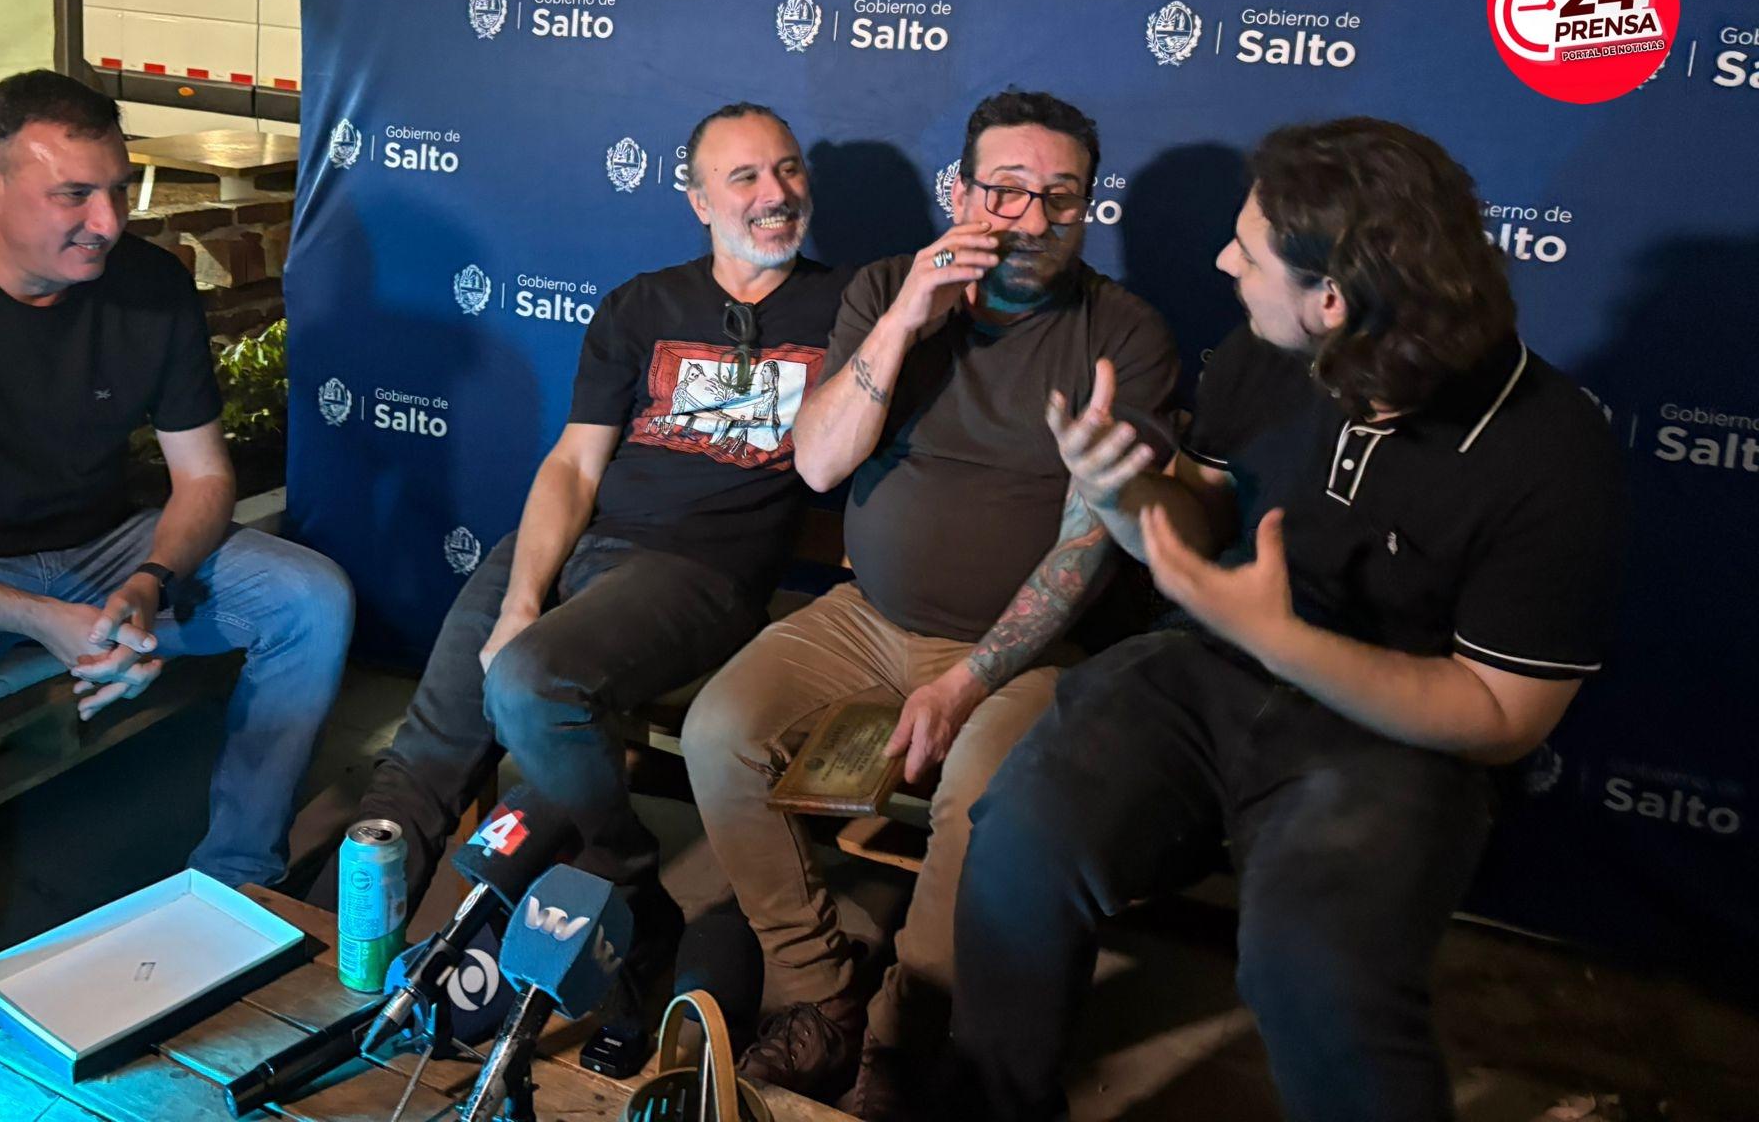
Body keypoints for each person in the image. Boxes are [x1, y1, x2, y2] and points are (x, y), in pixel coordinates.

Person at [950, 118, 1624, 1122]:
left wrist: (1285, 641)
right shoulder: (1262, 352)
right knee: (1019, 843)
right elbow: (1198, 518)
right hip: (1208, 671)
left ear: (1333, 300)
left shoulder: (1550, 448)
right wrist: (1124, 498)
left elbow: (1501, 716)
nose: (1223, 264)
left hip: (1395, 737)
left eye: (1248, 252)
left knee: (1312, 967)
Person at [0, 70, 355, 1087]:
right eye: (74, 196)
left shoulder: (149, 284)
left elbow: (203, 479)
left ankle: (234, 893)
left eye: (118, 190)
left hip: (100, 547)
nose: (107, 222)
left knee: (308, 599)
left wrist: (149, 581)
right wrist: (38, 617)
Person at [681, 90, 1181, 1116]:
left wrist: (966, 684)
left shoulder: (1123, 332)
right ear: (960, 193)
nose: (1032, 219)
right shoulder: (883, 289)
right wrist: (907, 317)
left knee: (979, 790)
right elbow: (819, 465)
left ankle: (905, 1029)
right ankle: (818, 991)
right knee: (717, 732)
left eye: (1061, 197)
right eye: (1006, 190)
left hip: (1025, 650)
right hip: (866, 617)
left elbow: (1085, 549)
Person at [316, 103, 850, 973]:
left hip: (699, 571)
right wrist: (522, 597)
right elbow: (573, 464)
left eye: (788, 169)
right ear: (699, 201)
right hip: (585, 542)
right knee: (427, 751)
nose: (775, 193)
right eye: (744, 176)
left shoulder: (847, 307)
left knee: (529, 683)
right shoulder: (644, 303)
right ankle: (341, 960)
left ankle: (628, 880)